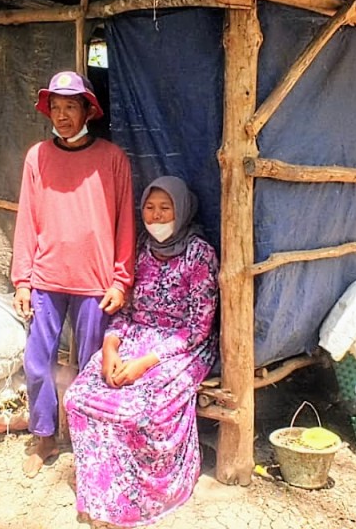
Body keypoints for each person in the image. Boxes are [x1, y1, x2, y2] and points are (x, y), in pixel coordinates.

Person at [64, 176, 220, 527]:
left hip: (182, 347)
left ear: (182, 210)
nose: (156, 215)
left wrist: (145, 363)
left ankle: (140, 501)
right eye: (150, 207)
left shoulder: (200, 254)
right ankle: (101, 496)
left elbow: (198, 329)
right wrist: (110, 346)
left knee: (137, 410)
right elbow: (125, 312)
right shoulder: (139, 250)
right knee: (78, 398)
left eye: (166, 208)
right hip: (135, 337)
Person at [11, 70, 136, 478]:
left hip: (95, 282)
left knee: (91, 366)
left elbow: (125, 222)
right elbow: (27, 220)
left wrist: (121, 279)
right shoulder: (37, 157)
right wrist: (22, 280)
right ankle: (44, 436)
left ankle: (89, 442)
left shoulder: (112, 159)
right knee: (36, 363)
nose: (62, 115)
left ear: (88, 111)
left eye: (70, 107)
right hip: (46, 279)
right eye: (56, 107)